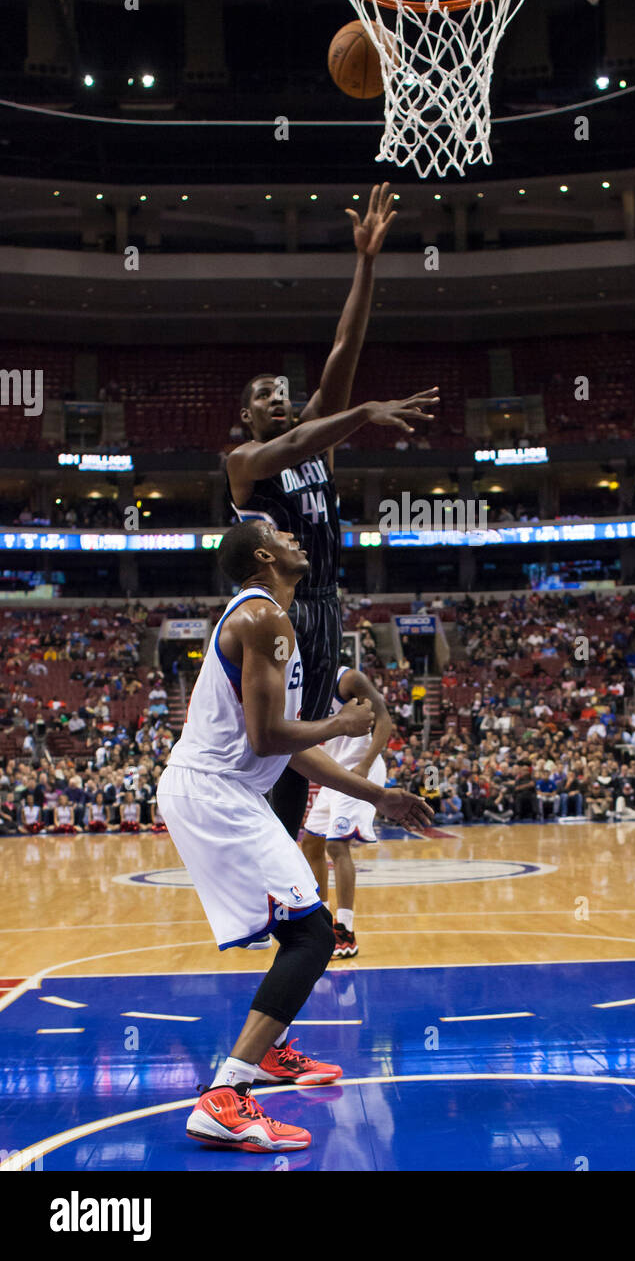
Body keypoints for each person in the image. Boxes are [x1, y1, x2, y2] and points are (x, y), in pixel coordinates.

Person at [157, 520, 434, 1153]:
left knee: (297, 928)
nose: (296, 536)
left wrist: (379, 795)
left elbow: (287, 752)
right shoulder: (263, 620)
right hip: (215, 791)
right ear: (263, 556)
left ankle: (272, 1051)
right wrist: (340, 721)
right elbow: (266, 739)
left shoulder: (271, 621)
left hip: (226, 791)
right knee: (313, 933)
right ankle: (226, 1095)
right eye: (280, 533)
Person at [226, 192, 437, 850]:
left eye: (284, 392)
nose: (279, 399)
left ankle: (284, 863)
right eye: (265, 396)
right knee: (276, 741)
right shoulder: (245, 461)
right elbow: (292, 446)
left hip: (327, 607)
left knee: (301, 743)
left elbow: (346, 343)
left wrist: (366, 263)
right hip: (277, 613)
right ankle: (260, 851)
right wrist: (362, 413)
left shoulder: (315, 437)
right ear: (248, 416)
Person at [300, 666, 393, 960]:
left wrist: (366, 763)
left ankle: (345, 930)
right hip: (334, 771)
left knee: (336, 845)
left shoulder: (347, 679)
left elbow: (385, 720)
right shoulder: (298, 683)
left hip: (360, 767)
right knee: (311, 844)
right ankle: (323, 924)